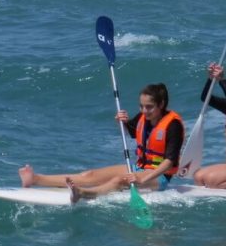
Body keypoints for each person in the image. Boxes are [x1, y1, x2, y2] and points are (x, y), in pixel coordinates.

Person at [18, 83, 184, 204]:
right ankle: (36, 179)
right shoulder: (144, 117)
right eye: (141, 106)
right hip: (139, 168)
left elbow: (170, 162)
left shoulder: (173, 125)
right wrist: (124, 122)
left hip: (159, 176)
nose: (144, 111)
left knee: (120, 180)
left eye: (149, 107)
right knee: (90, 175)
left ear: (161, 105)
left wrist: (143, 179)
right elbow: (134, 132)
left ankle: (84, 193)